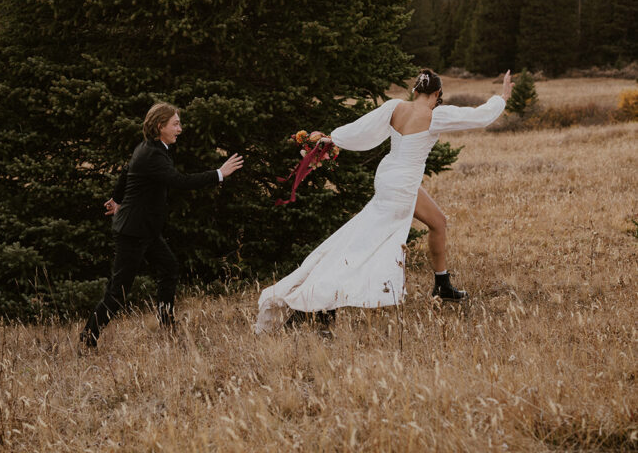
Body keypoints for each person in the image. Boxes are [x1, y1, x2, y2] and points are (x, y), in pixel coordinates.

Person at [255, 69, 512, 333]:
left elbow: (361, 129)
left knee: (438, 221)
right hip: (401, 188)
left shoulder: (395, 107)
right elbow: (479, 116)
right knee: (362, 249)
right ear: (436, 94)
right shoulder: (436, 116)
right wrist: (502, 97)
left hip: (392, 178)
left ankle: (442, 284)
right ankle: (314, 308)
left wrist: (333, 138)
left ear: (415, 91)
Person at [80, 102, 243, 349]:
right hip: (133, 233)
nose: (180, 128)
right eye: (175, 124)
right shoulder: (153, 154)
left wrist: (117, 199)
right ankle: (87, 338)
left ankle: (166, 324)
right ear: (160, 126)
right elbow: (179, 181)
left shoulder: (152, 148)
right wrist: (219, 173)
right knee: (117, 294)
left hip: (145, 230)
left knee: (169, 267)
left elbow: (126, 172)